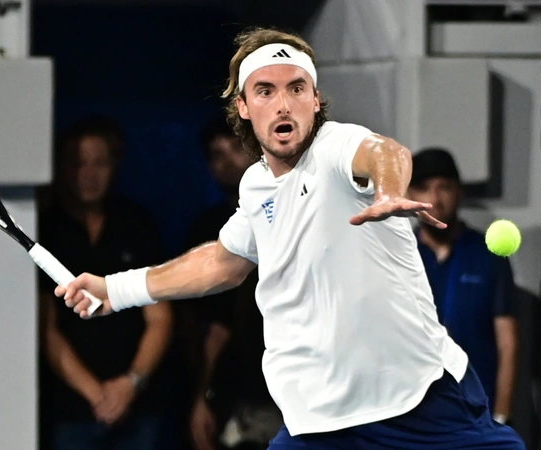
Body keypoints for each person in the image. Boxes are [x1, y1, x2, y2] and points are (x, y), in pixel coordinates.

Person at [54, 28, 525, 449]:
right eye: (266, 90)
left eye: (296, 88)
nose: (283, 103)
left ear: (315, 99)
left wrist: (385, 191)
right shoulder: (256, 187)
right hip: (318, 423)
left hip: (419, 401)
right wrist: (117, 289)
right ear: (243, 107)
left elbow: (385, 152)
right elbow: (222, 262)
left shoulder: (335, 146)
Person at [38, 116, 174, 450]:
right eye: (78, 163)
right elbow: (45, 328)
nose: (89, 174)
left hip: (139, 404)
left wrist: (130, 384)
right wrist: (99, 395)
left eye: (99, 163)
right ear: (60, 167)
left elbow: (160, 317)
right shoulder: (46, 230)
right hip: (71, 409)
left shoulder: (138, 225)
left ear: (115, 165)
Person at [180, 116, 282, 450]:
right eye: (216, 154)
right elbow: (211, 323)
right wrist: (202, 395)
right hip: (237, 383)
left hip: (298, 376)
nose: (228, 161)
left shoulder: (291, 215)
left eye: (236, 147)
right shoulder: (207, 228)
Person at [408, 147, 519, 425]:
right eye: (424, 188)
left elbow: (508, 344)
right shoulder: (398, 255)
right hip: (414, 415)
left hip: (476, 413)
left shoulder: (488, 254)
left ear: (459, 192)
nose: (434, 199)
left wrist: (500, 418)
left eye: (444, 188)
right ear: (409, 196)